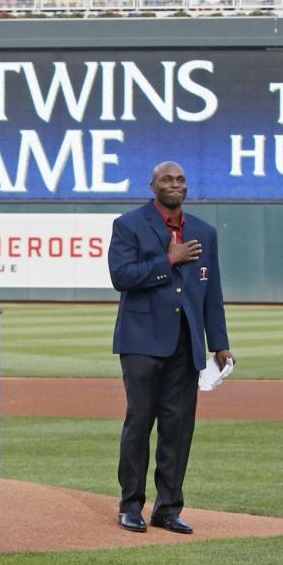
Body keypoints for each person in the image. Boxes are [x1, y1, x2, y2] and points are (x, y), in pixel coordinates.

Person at [109, 161, 233, 535]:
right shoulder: (128, 225)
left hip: (186, 343)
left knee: (178, 429)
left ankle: (167, 508)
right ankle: (131, 505)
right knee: (140, 423)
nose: (174, 184)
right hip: (142, 340)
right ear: (153, 186)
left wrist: (220, 343)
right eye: (167, 179)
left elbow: (212, 293)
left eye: (180, 179)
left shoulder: (204, 232)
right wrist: (168, 260)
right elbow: (121, 277)